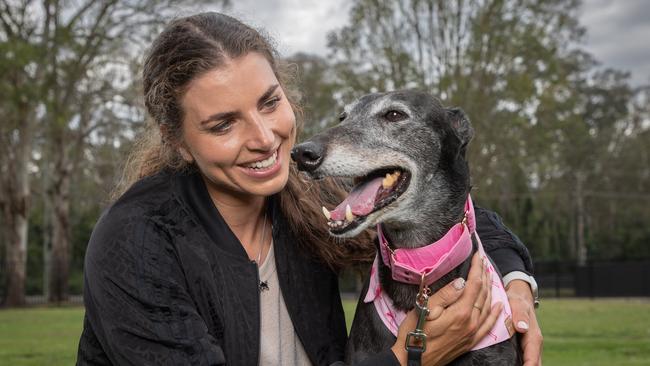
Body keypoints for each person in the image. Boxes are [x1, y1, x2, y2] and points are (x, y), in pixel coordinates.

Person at [76, 12, 542, 366]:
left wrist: (515, 289)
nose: (263, 139)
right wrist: (409, 356)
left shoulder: (315, 198)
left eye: (269, 102)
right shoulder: (135, 242)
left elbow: (455, 213)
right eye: (223, 124)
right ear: (177, 139)